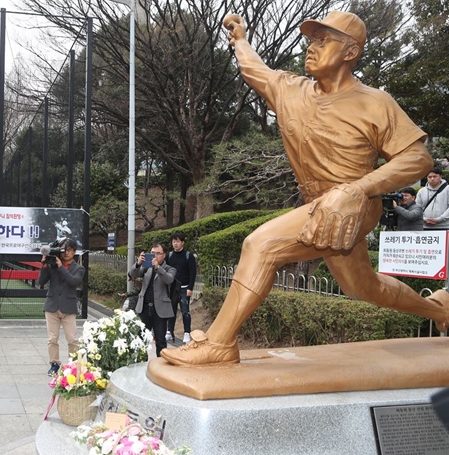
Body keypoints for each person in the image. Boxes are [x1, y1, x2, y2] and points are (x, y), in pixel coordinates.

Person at [161, 11, 449, 367]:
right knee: (362, 287)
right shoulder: (291, 90)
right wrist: (240, 39)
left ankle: (220, 343)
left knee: (260, 245)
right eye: (311, 40)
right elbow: (254, 69)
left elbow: (418, 158)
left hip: (356, 206)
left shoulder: (375, 102)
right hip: (320, 208)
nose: (311, 48)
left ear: (350, 52)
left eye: (323, 40)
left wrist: (357, 190)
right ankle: (438, 307)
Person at [38, 237, 85, 376]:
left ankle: (74, 365)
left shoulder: (79, 268)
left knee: (72, 339)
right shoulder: (52, 263)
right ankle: (54, 364)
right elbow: (41, 281)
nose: (65, 253)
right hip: (52, 305)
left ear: (74, 251)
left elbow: (73, 281)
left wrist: (60, 267)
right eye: (63, 249)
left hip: (68, 307)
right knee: (52, 338)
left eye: (69, 250)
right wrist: (45, 265)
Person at [129, 243, 176, 357]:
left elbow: (168, 279)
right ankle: (141, 363)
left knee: (160, 340)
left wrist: (158, 268)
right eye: (152, 253)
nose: (155, 256)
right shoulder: (146, 267)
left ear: (164, 255)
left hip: (159, 310)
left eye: (158, 254)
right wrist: (138, 263)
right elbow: (132, 274)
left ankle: (160, 366)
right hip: (144, 308)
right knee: (140, 338)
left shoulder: (170, 269)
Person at [165, 232, 197, 343]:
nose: (175, 244)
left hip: (184, 287)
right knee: (171, 310)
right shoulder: (169, 256)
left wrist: (190, 287)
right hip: (173, 288)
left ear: (182, 242)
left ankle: (187, 333)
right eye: (174, 242)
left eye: (177, 241)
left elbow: (193, 273)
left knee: (185, 311)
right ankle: (169, 331)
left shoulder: (189, 256)